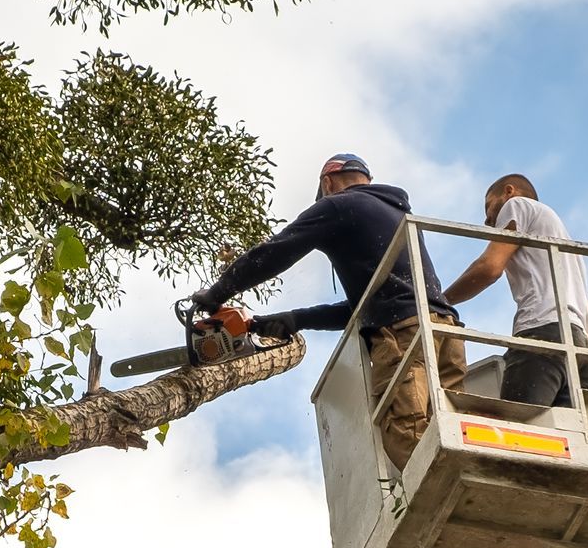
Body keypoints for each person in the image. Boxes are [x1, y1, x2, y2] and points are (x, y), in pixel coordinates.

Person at [192, 152, 465, 470]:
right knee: (450, 434)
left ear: (327, 183)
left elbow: (274, 253)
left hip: (405, 336)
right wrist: (296, 319)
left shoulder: (337, 205)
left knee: (409, 436)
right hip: (444, 332)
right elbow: (365, 308)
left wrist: (217, 293)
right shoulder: (397, 215)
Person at [441, 173, 588, 407]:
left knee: (519, 435)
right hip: (582, 356)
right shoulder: (569, 256)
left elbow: (489, 268)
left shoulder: (517, 205)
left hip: (543, 335)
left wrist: (441, 301)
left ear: (508, 191)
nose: (487, 220)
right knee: (564, 438)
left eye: (488, 207)